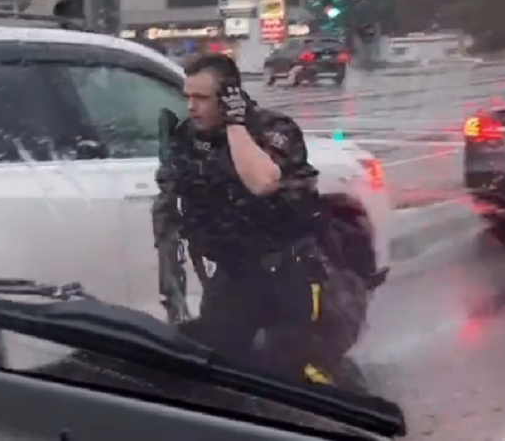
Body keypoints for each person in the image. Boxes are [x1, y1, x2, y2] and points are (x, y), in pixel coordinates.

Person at [153, 53, 367, 387]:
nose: (191, 107)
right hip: (233, 276)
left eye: (201, 98)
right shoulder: (189, 139)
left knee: (303, 374)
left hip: (287, 275)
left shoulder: (273, 129)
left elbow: (262, 181)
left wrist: (235, 125)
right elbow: (171, 209)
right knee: (216, 369)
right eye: (187, 97)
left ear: (229, 98)